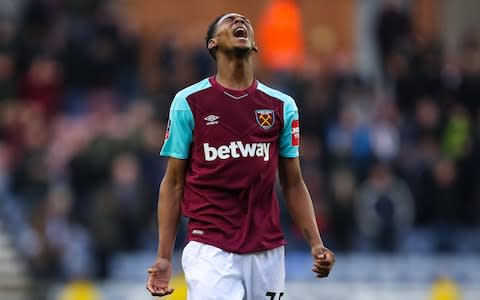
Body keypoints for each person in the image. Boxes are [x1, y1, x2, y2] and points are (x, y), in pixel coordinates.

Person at [146, 12, 335, 299]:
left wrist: (316, 244)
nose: (240, 22)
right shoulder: (188, 102)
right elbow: (173, 183)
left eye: (245, 21)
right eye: (230, 21)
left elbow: (293, 182)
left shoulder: (282, 106)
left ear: (255, 45)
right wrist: (164, 256)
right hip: (209, 247)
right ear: (212, 44)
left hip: (267, 249)